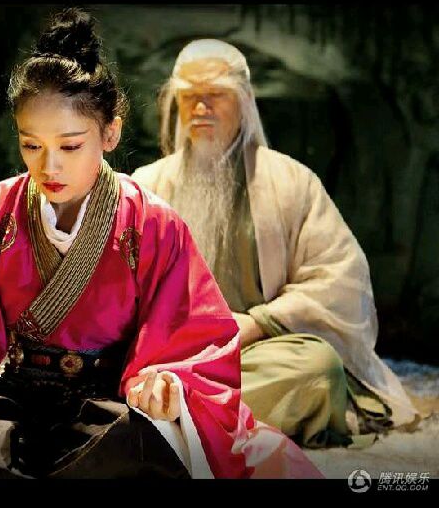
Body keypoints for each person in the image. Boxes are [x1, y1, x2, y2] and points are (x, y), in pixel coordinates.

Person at [0, 11, 321, 479]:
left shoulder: (151, 223)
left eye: (70, 145)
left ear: (110, 133)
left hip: (102, 412)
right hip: (6, 404)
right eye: (31, 144)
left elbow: (190, 339)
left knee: (136, 443)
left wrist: (164, 385)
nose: (49, 166)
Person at [132, 38, 420, 448]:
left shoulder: (291, 182)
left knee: (316, 367)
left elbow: (339, 281)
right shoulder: (147, 186)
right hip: (172, 360)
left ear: (245, 101)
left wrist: (255, 324)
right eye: (190, 96)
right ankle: (194, 412)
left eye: (216, 95)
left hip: (257, 356)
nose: (200, 107)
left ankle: (179, 416)